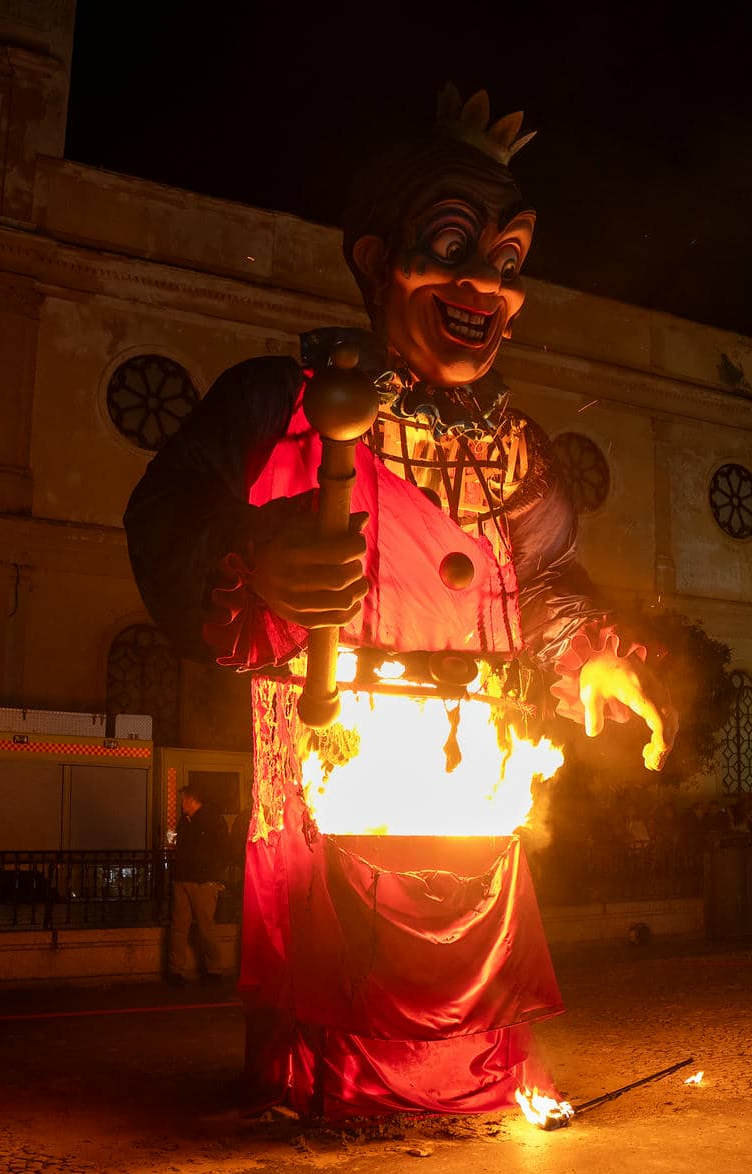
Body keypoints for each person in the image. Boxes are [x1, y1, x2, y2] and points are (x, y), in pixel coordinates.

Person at [123, 88, 675, 1115]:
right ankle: (327, 1081)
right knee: (343, 960)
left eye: (507, 263)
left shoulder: (518, 451)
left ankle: (483, 1079)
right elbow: (168, 515)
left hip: (480, 757)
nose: (485, 289)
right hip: (341, 751)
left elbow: (551, 581)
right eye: (453, 249)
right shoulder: (277, 405)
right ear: (377, 258)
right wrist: (257, 558)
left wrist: (590, 655)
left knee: (474, 939)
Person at [169, 788, 231, 984]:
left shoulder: (211, 820)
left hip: (202, 881)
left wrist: (213, 874)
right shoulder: (186, 821)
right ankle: (178, 970)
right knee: (181, 926)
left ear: (191, 800)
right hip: (186, 879)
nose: (181, 804)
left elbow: (224, 848)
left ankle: (213, 969)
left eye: (183, 800)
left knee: (203, 926)